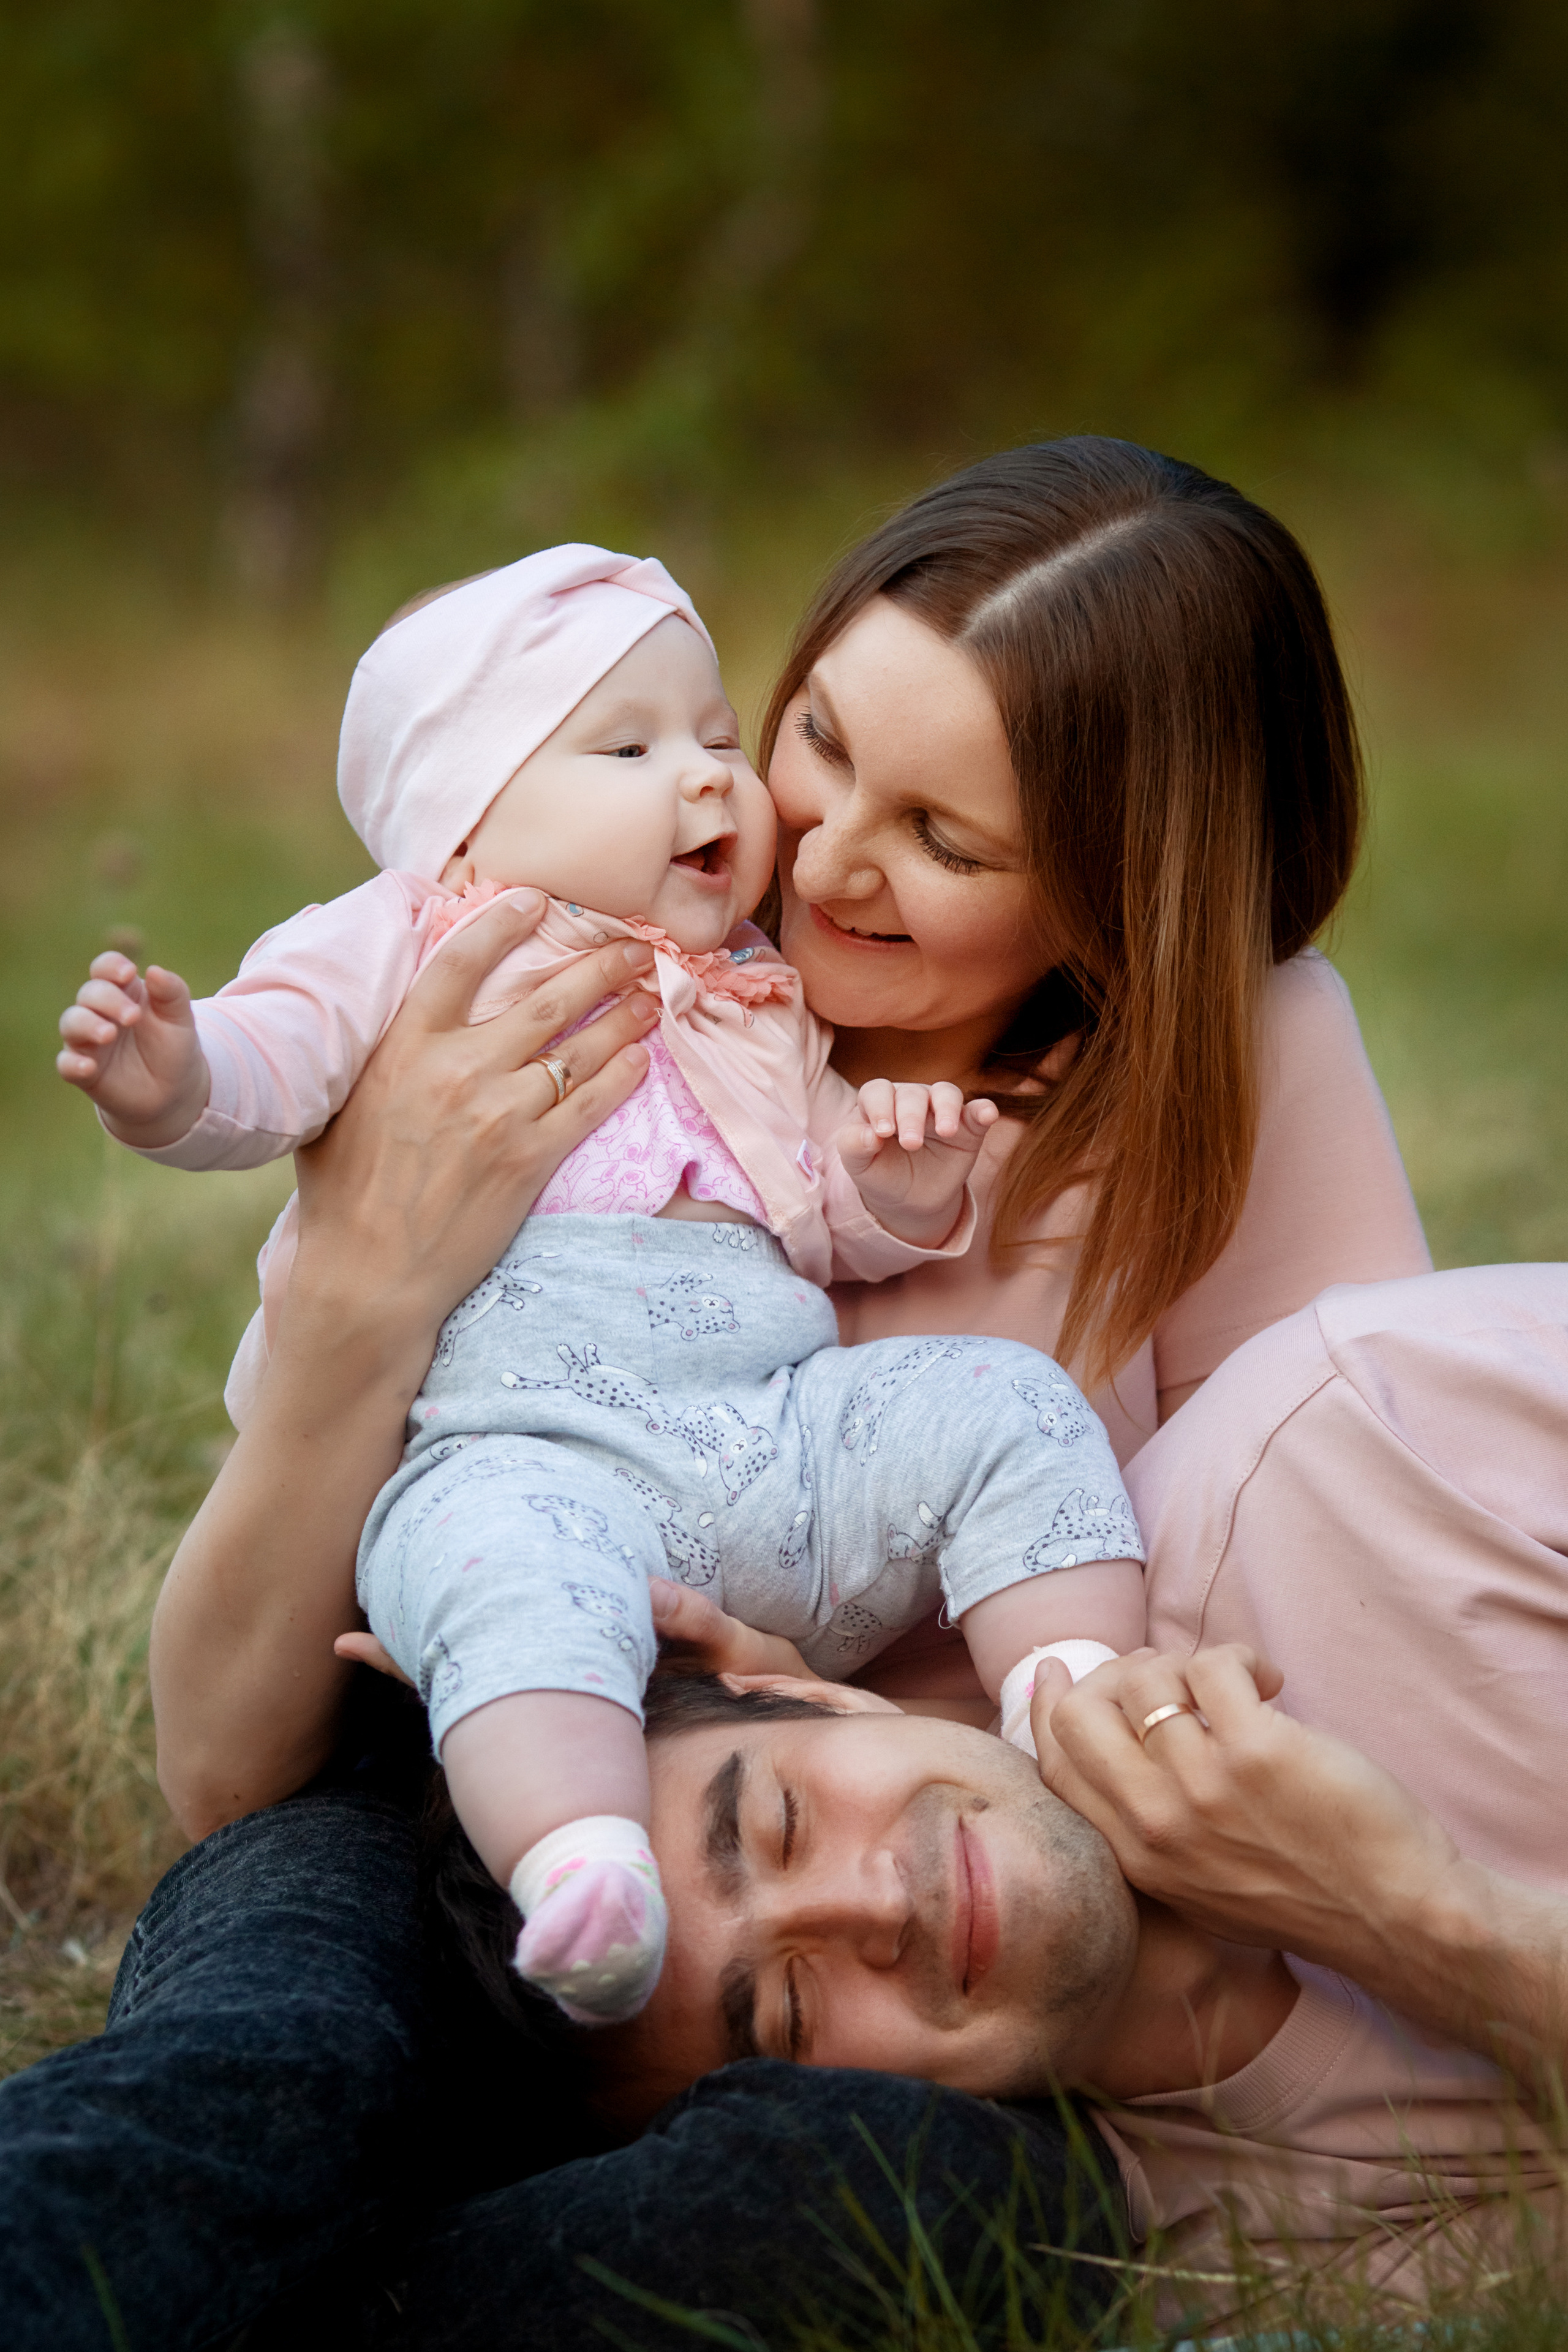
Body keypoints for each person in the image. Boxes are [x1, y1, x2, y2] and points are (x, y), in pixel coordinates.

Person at [4, 437, 1438, 2343]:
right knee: (271, 2070)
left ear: (1129, 895)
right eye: (823, 741)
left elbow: (1349, 1623)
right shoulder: (597, 977)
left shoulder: (1235, 1069)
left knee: (856, 2205)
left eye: (950, 838)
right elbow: (224, 1765)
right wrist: (370, 1287)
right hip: (458, 1795)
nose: (829, 857)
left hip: (854, 1967)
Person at [55, 542, 1145, 2026]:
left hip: (768, 1440)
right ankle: (580, 1859)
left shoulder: (758, 992)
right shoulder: (421, 933)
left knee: (999, 1402)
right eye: (627, 747)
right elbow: (269, 1060)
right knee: (514, 1588)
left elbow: (822, 1215)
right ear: (465, 817)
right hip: (526, 1450)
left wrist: (897, 1188)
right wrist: (170, 1076)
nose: (708, 781)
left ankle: (1070, 1687)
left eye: (712, 735)